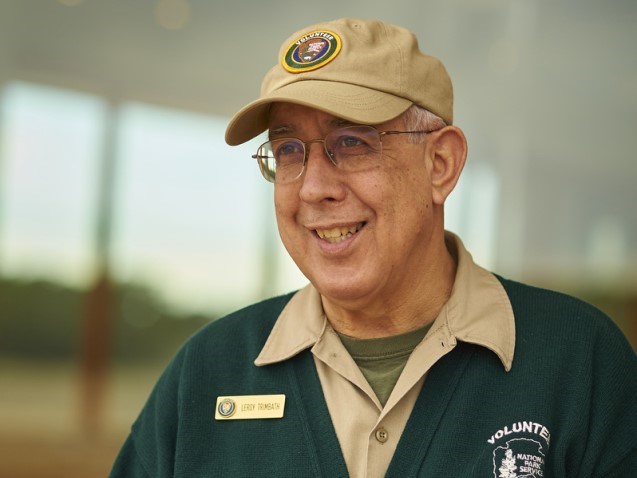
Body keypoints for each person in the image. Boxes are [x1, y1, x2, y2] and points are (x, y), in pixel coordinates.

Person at [110, 18, 637, 477]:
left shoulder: (580, 363)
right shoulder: (205, 373)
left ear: (441, 165)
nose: (315, 187)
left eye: (352, 143)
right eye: (288, 150)